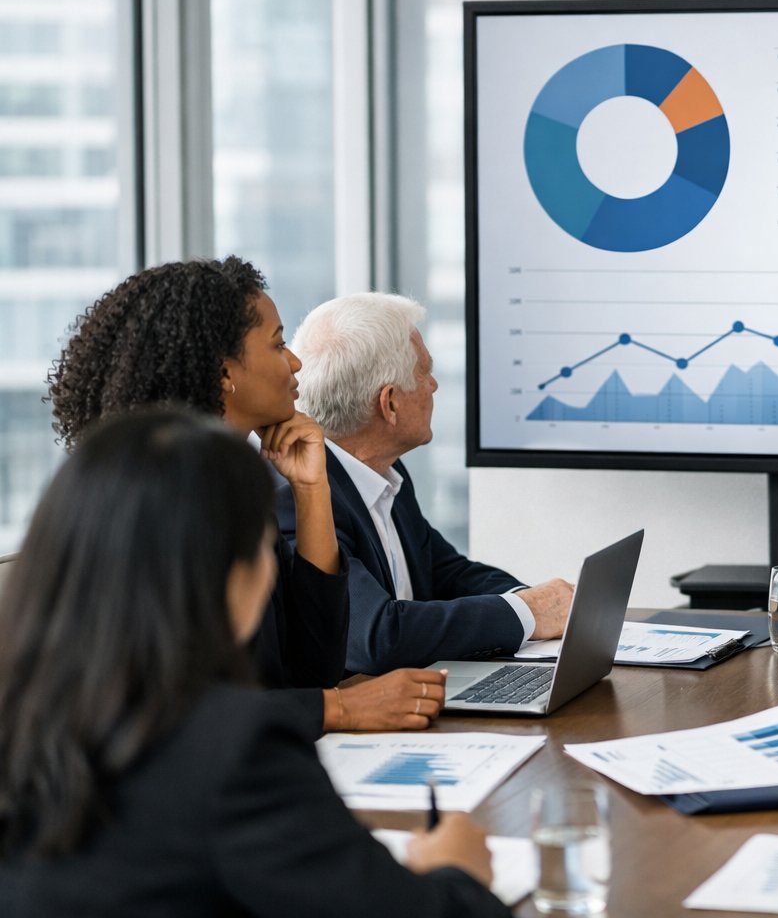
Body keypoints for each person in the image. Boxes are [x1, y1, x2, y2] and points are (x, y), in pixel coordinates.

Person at [0, 410, 505, 916]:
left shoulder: (27, 714)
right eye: (265, 548)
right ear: (222, 573)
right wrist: (457, 869)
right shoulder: (234, 748)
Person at [47, 258, 447, 733]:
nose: (295, 361)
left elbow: (311, 667)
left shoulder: (234, 488)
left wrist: (311, 489)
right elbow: (170, 713)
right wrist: (342, 709)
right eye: (278, 345)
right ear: (223, 374)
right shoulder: (159, 509)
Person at [280, 292, 573, 673]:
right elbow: (377, 636)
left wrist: (532, 600)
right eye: (424, 373)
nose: (434, 385)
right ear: (390, 404)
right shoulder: (300, 498)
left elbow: (448, 572)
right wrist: (529, 612)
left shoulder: (385, 475)